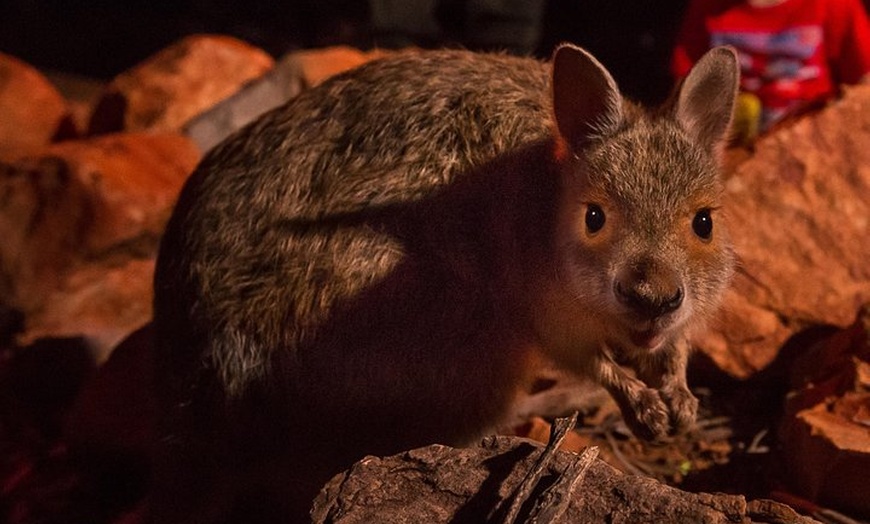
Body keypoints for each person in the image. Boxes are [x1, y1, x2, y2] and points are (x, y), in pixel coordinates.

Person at [672, 0, 870, 137]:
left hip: (818, 137)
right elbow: (685, 83)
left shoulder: (834, 5)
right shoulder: (708, 7)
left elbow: (865, 80)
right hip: (738, 144)